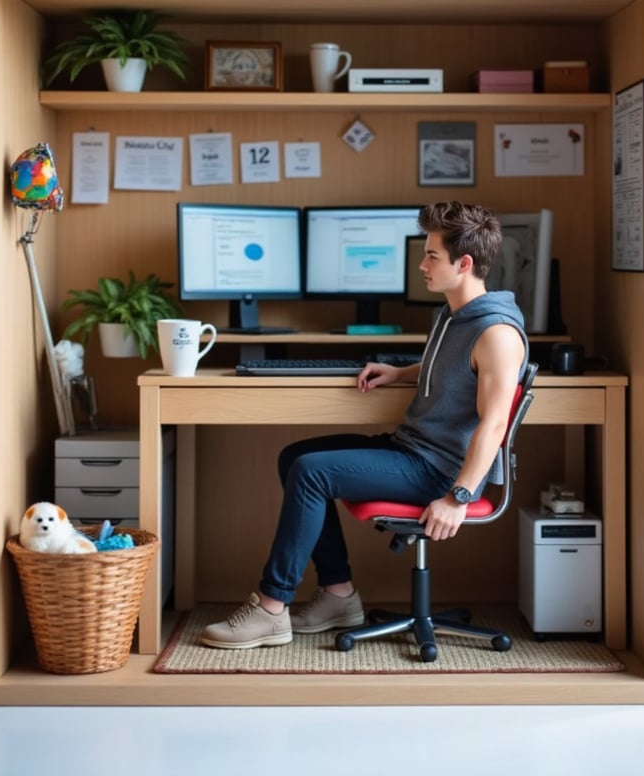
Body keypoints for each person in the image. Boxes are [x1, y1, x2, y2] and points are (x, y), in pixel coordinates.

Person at [201, 201, 529, 649]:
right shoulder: (455, 315)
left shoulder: (496, 333)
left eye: (432, 256)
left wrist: (458, 498)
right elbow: (454, 368)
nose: (422, 264)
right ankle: (339, 595)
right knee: (294, 457)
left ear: (464, 263)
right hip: (412, 449)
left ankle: (271, 608)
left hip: (438, 472)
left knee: (312, 472)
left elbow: (492, 425)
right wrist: (401, 372)